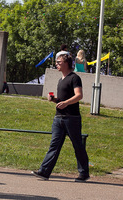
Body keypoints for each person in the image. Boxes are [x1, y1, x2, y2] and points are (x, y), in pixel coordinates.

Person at [31, 52, 90, 182]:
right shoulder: (60, 80)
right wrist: (54, 100)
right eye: (57, 62)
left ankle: (84, 173)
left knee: (77, 145)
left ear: (67, 63)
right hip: (59, 118)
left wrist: (66, 102)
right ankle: (44, 172)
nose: (57, 64)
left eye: (59, 62)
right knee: (54, 145)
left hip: (72, 118)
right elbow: (62, 100)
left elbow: (79, 95)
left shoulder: (74, 78)